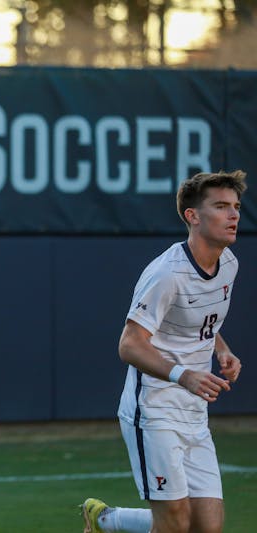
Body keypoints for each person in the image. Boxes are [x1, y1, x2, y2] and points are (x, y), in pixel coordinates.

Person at [82, 170, 246, 533]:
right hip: (153, 409)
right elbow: (129, 344)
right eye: (221, 206)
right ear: (193, 216)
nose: (234, 215)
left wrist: (223, 350)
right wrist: (183, 374)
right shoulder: (166, 273)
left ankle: (105, 520)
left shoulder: (228, 265)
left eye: (236, 206)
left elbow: (202, 320)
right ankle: (107, 521)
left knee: (206, 528)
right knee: (174, 524)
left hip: (194, 411)